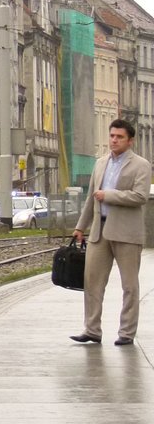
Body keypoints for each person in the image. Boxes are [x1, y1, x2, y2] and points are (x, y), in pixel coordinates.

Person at [70, 118, 152, 346]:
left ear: (130, 141)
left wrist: (110, 195)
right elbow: (90, 199)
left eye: (120, 137)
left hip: (127, 232)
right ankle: (92, 329)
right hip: (99, 230)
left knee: (129, 286)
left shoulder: (140, 165)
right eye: (112, 136)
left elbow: (140, 197)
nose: (114, 140)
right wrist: (80, 226)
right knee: (92, 281)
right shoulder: (101, 163)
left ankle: (126, 333)